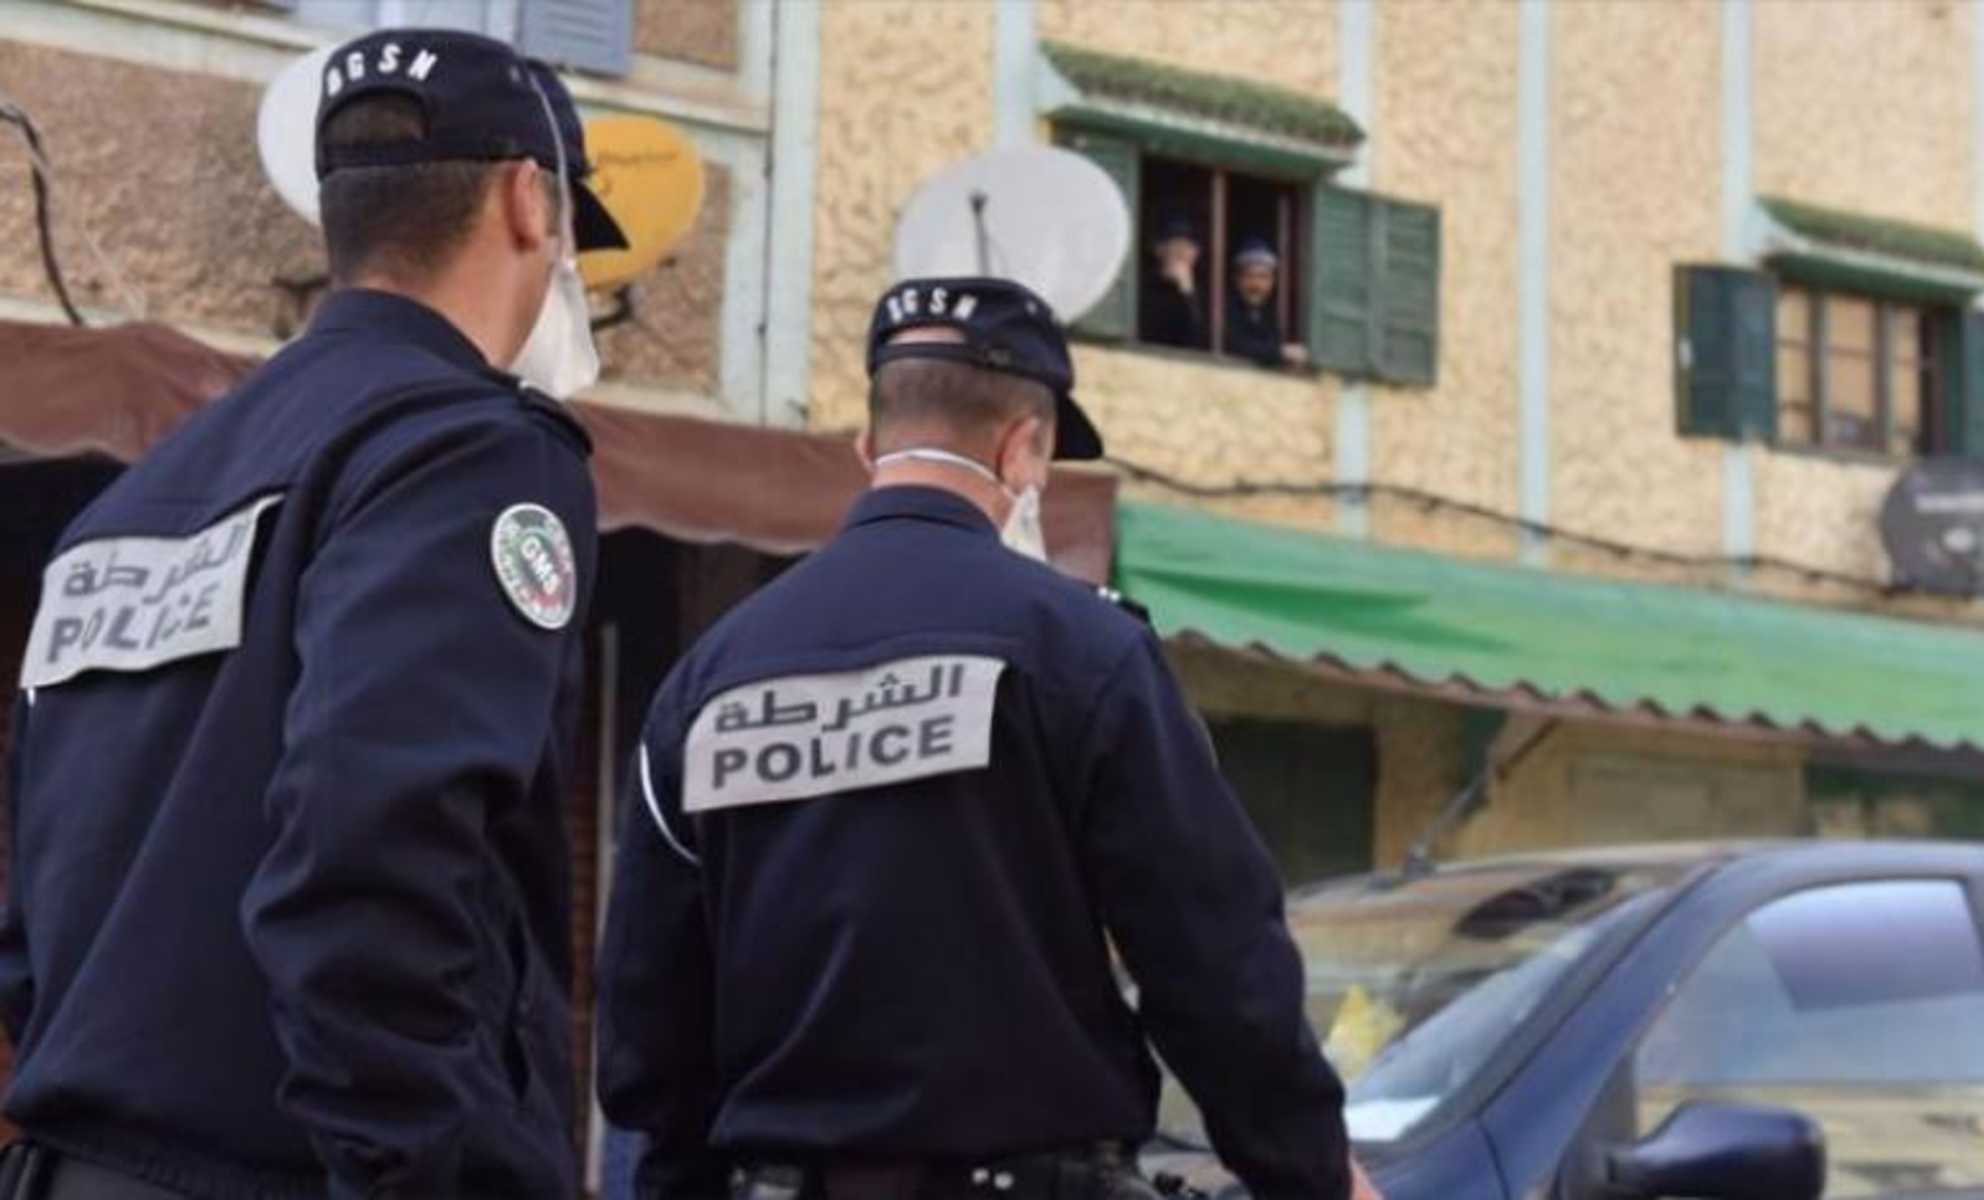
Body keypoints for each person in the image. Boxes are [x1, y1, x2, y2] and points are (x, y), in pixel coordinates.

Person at [0, 29, 626, 1199]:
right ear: (528, 202)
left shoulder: (126, 506)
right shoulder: (464, 451)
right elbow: (377, 846)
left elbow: (33, 908)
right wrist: (411, 1172)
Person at [597, 276, 1379, 1200]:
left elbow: (650, 1025)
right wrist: (1315, 1175)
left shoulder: (708, 680)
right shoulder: (1086, 656)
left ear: (868, 447)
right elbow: (1214, 967)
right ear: (1023, 450)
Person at [1222, 236, 1310, 370]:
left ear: (1272, 282)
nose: (1256, 284)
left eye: (1263, 277)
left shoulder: (1273, 312)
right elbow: (1234, 345)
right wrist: (1281, 352)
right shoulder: (1224, 309)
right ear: (1237, 279)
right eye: (1249, 276)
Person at [1139, 215, 1207, 351]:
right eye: (1175, 245)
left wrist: (1188, 293)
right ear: (1159, 250)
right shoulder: (1143, 290)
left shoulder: (1205, 296)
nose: (1182, 252)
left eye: (1188, 247)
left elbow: (1200, 341)